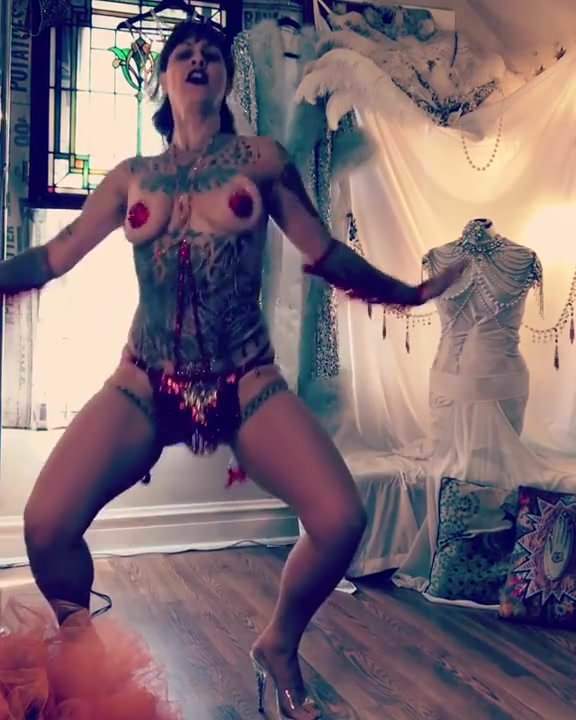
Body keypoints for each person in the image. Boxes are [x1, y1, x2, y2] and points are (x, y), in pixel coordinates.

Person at [0, 20, 465, 719]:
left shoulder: (262, 160)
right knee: (45, 523)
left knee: (341, 519)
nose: (198, 59)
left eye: (211, 53)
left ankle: (278, 643)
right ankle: (82, 654)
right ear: (161, 79)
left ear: (225, 77)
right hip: (145, 379)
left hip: (243, 378)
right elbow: (53, 256)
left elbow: (322, 250)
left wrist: (408, 292)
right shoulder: (131, 178)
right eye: (183, 52)